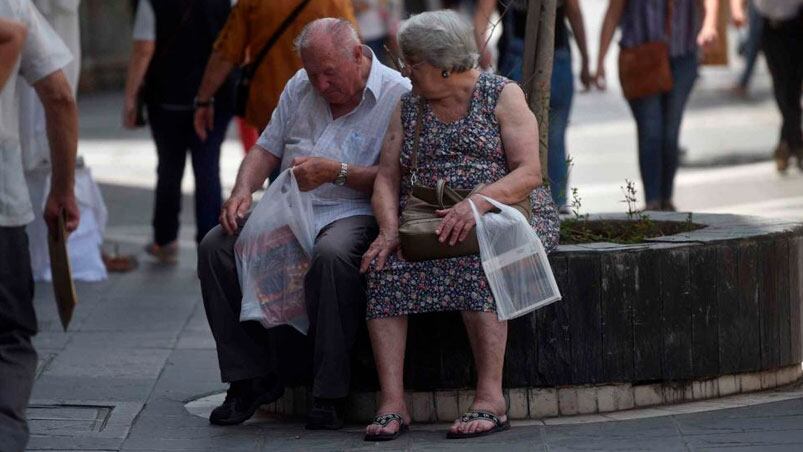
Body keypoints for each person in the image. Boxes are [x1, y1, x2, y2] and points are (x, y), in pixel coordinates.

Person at [198, 18, 410, 429]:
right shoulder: (300, 85)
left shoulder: (396, 94)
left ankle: (329, 390)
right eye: (314, 74)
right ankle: (250, 377)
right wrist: (242, 190)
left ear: (357, 55)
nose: (321, 85)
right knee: (216, 246)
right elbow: (265, 148)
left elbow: (395, 176)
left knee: (330, 255)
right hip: (290, 207)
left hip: (353, 209)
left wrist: (337, 172)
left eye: (330, 74)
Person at [360, 10, 559, 441]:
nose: (405, 72)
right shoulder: (408, 106)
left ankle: (491, 399)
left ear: (445, 66)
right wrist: (389, 230)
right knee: (385, 269)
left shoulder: (501, 95)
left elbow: (529, 173)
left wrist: (476, 205)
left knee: (479, 264)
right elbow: (387, 177)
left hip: (503, 212)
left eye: (412, 64)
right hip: (430, 217)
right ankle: (392, 403)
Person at [0, 2, 80, 450]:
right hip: (2, 200)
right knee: (8, 336)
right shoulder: (13, 5)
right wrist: (63, 189)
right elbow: (60, 95)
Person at [122, 0, 235, 262]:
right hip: (215, 97)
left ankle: (165, 240)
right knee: (208, 168)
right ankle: (209, 248)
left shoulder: (151, 3)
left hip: (167, 98)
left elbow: (143, 49)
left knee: (169, 168)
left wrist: (130, 96)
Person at [594, 0, 720, 211]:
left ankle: (666, 199)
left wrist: (710, 24)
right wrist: (599, 62)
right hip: (642, 57)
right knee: (651, 131)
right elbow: (613, 12)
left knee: (670, 134)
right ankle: (653, 202)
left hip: (681, 57)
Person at [474, 0, 591, 212]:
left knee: (516, 140)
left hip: (518, 58)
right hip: (559, 54)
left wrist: (483, 49)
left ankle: (529, 204)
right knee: (554, 137)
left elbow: (482, 17)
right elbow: (575, 14)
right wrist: (586, 59)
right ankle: (557, 204)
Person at [193, 0, 356, 139]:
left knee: (277, 169)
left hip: (272, 109)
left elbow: (226, 53)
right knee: (330, 171)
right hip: (324, 106)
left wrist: (203, 99)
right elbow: (353, 46)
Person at [753, 0, 803, 173]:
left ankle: (786, 144)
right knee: (782, 87)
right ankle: (795, 141)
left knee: (794, 88)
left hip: (797, 23)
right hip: (771, 27)